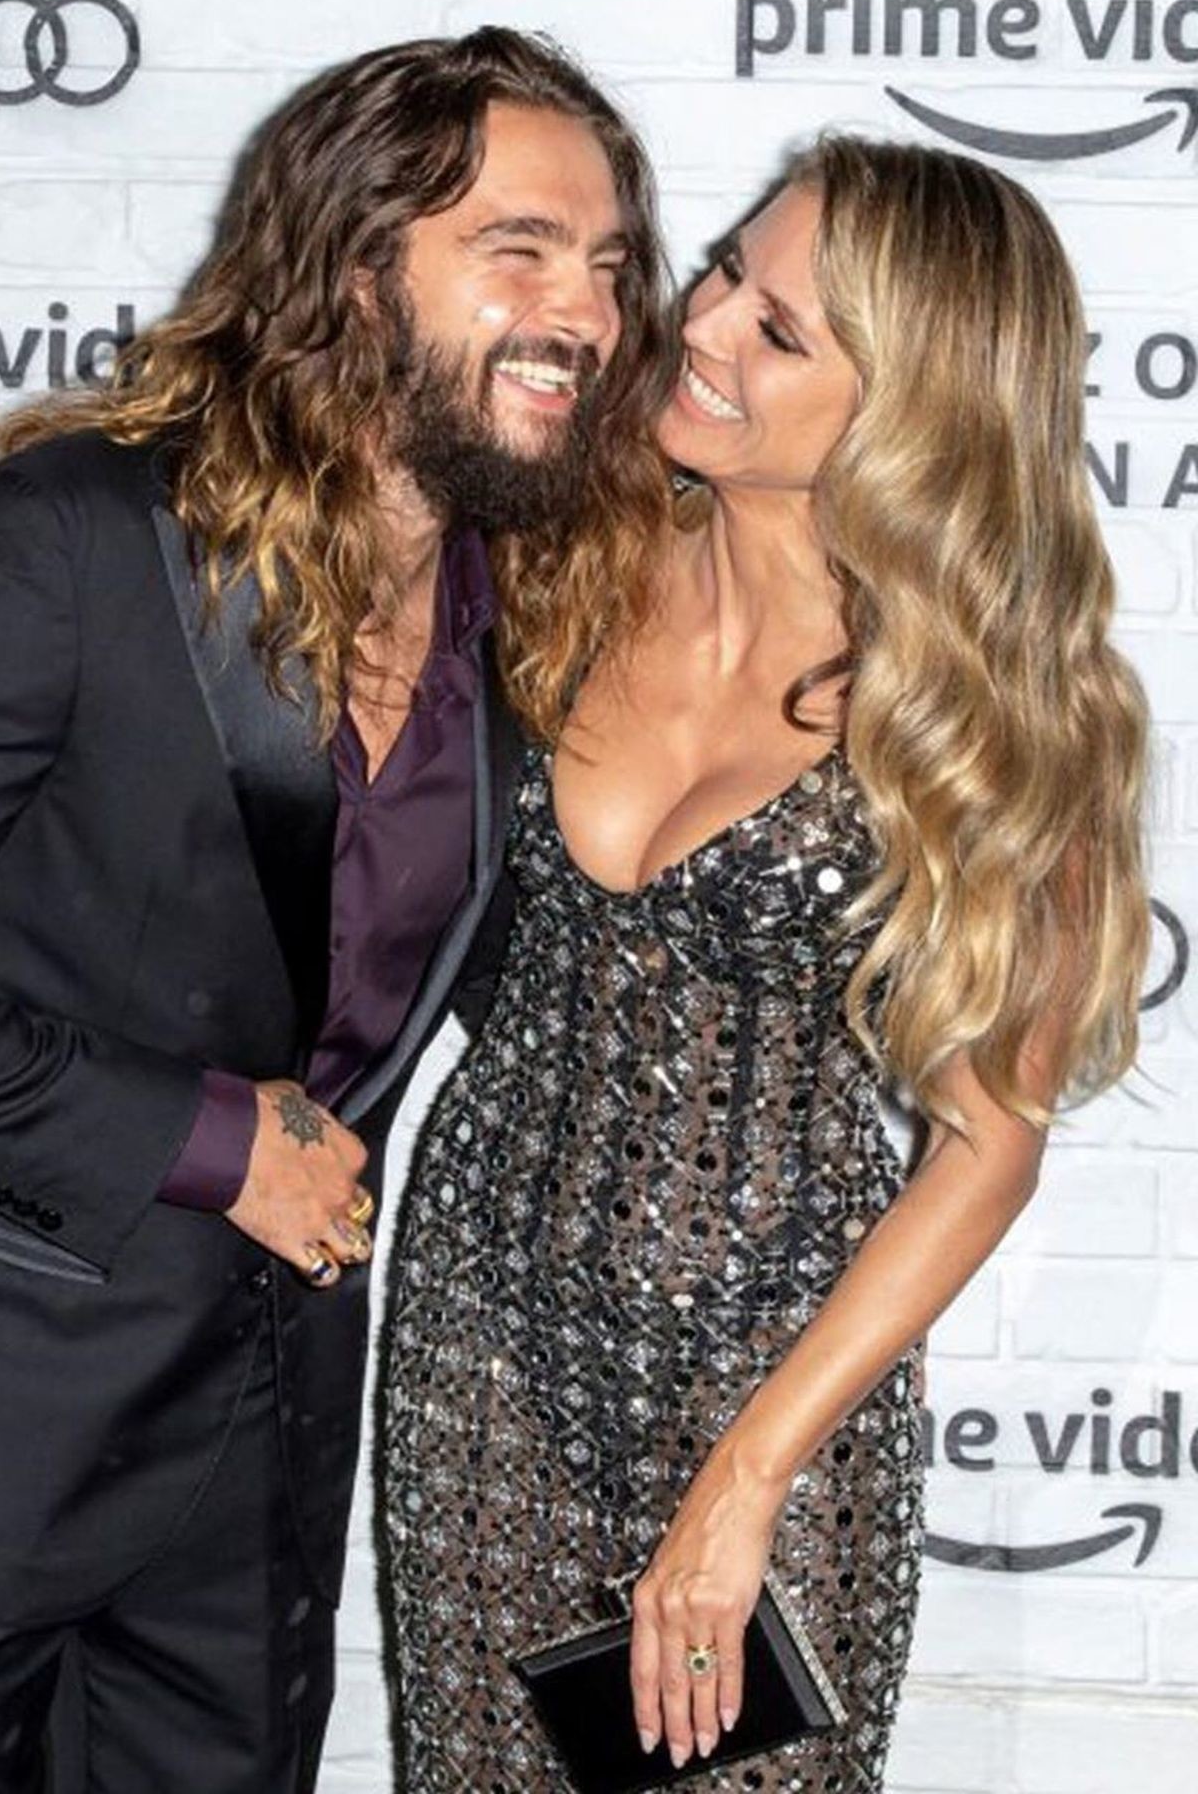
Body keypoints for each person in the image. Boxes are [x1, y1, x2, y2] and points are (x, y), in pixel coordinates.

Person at [0, 28, 669, 1793]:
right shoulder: (70, 535)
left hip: (255, 1450)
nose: (582, 311)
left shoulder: (530, 605)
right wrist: (216, 1143)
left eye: (606, 264)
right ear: (354, 269)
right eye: (516, 249)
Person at [383, 135, 1150, 1792]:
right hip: (483, 1338)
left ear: (908, 412)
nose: (705, 323)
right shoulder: (559, 559)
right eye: (728, 268)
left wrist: (745, 1485)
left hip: (780, 1377)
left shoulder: (985, 713)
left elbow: (988, 1145)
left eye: (779, 330)